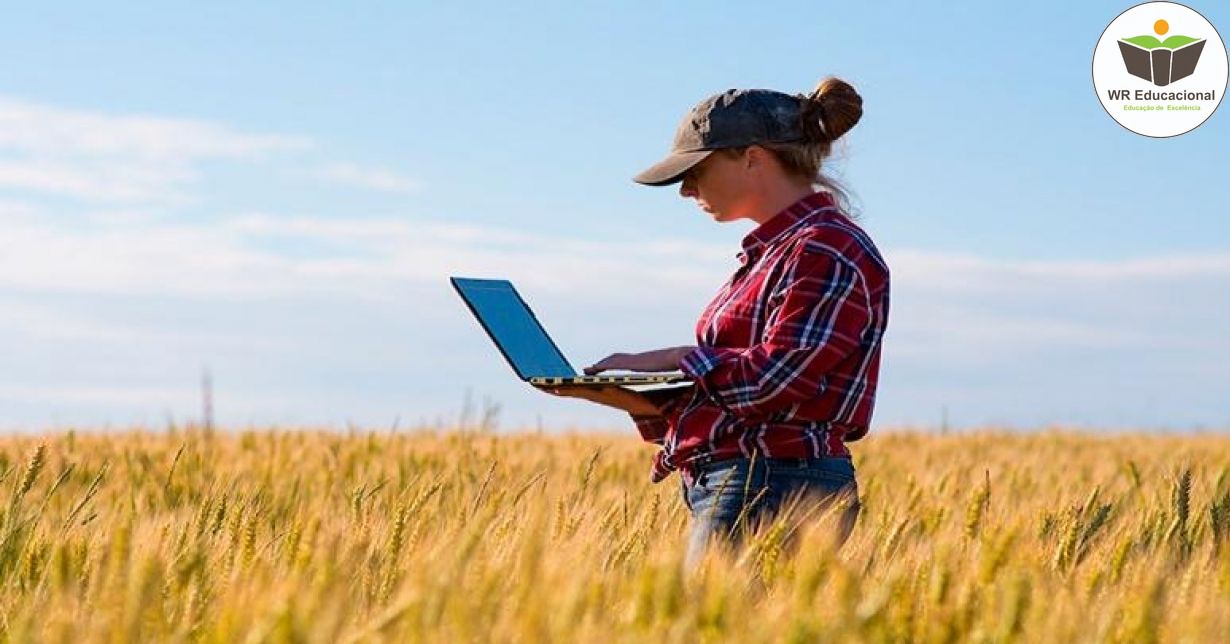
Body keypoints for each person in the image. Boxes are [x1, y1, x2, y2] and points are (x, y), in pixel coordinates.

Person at [546, 77, 890, 569]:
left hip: (774, 481)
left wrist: (673, 358)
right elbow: (753, 392)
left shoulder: (821, 248)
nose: (686, 190)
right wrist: (640, 399)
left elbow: (777, 379)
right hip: (754, 477)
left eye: (697, 171)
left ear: (753, 158)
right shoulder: (779, 252)